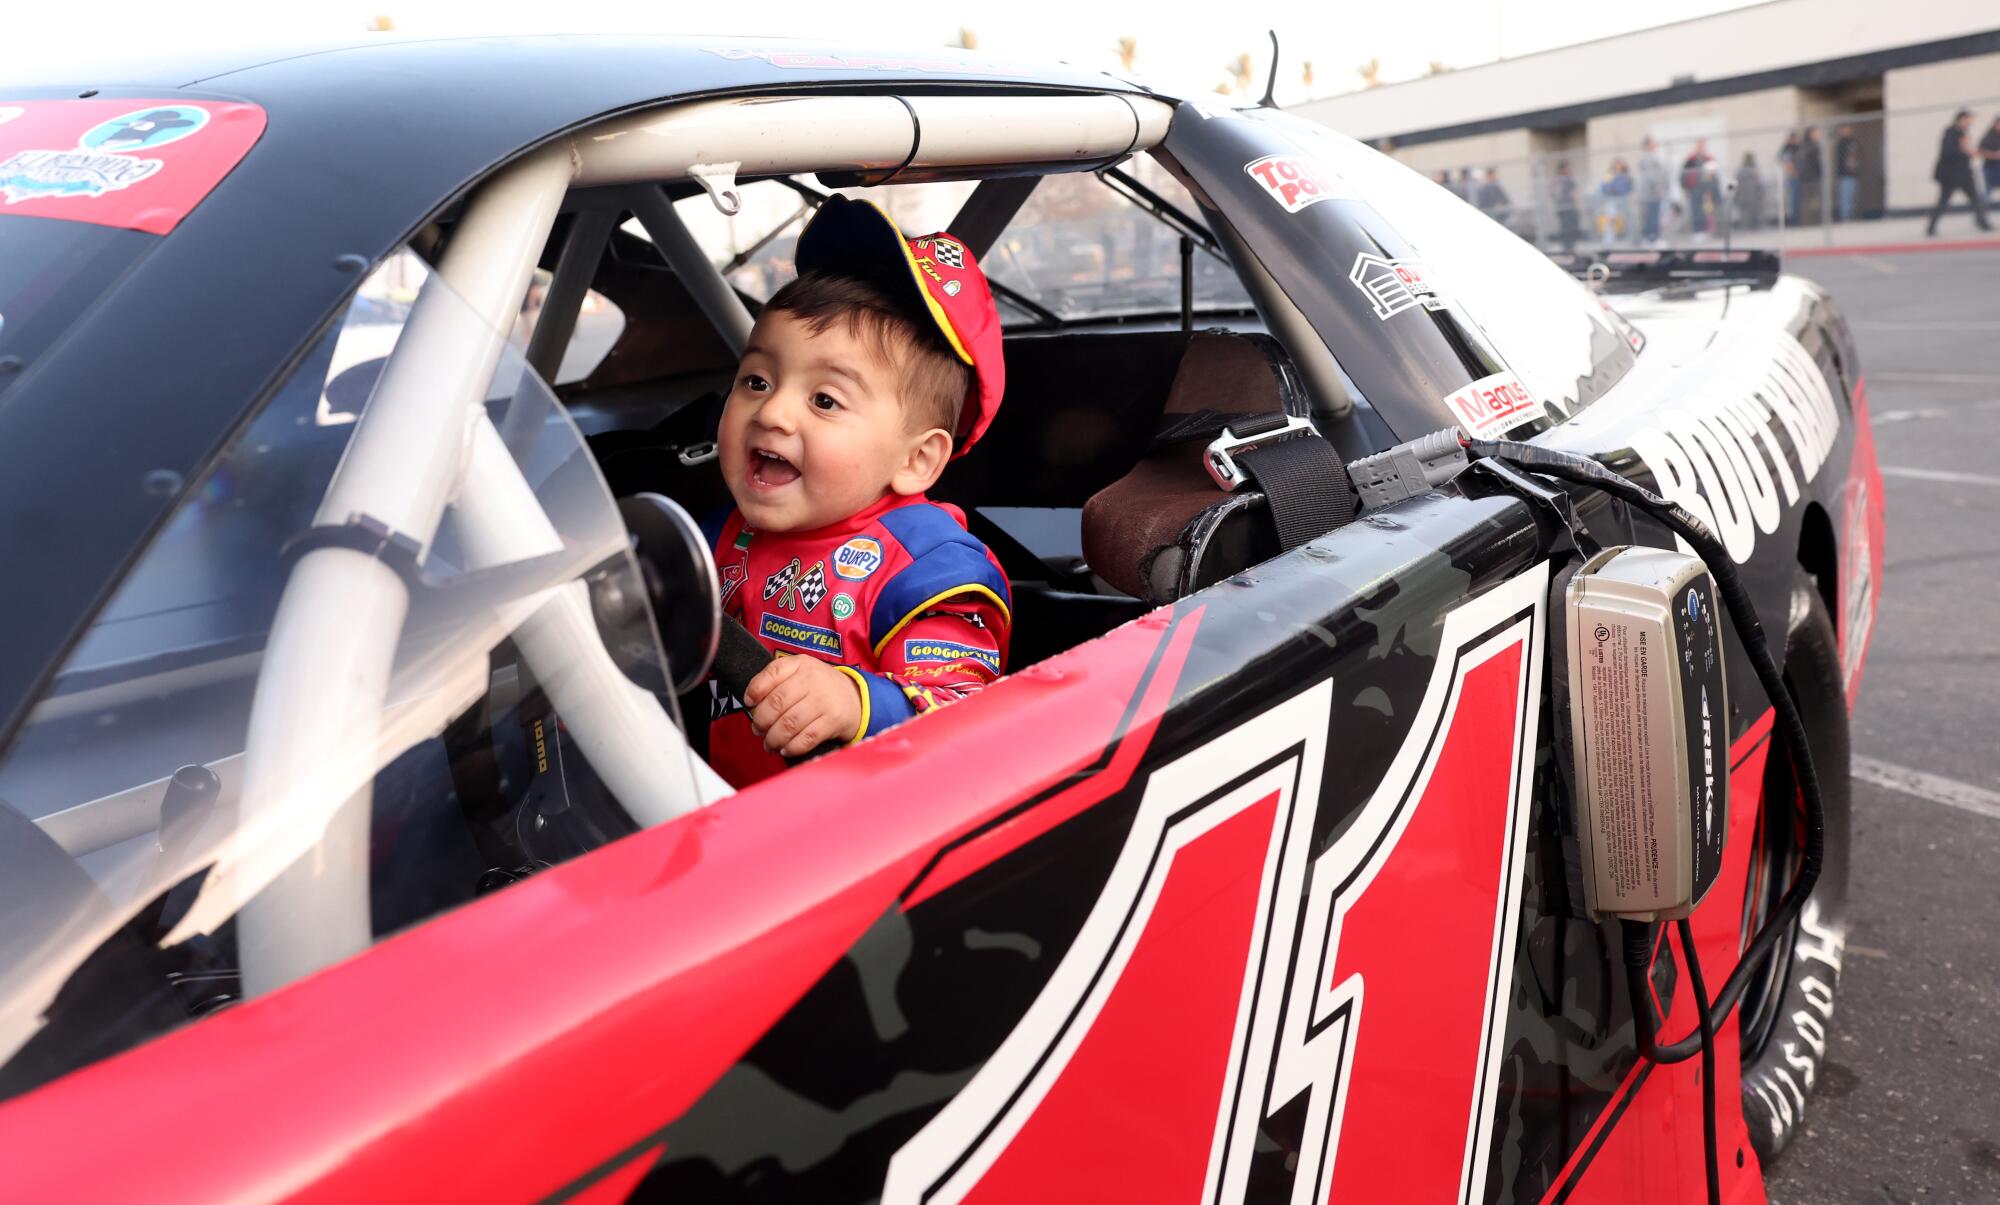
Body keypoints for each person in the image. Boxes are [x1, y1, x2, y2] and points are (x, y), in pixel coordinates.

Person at [706, 196, 1012, 785]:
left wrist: (853, 702)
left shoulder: (929, 573)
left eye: (824, 400)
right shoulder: (722, 530)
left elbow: (967, 722)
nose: (772, 411)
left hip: (853, 845)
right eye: (757, 380)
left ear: (917, 460)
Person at [1927, 109, 1992, 236]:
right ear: (1961, 119)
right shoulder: (1951, 133)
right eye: (1968, 120)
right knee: (1943, 202)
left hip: (1964, 174)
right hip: (1951, 175)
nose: (1970, 123)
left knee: (1975, 199)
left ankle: (1982, 222)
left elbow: (1968, 151)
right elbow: (1947, 153)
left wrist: (1969, 151)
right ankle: (1931, 228)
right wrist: (1963, 150)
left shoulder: (1963, 133)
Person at [1636, 137, 1668, 244]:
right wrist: (1658, 188)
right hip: (1650, 193)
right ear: (1648, 145)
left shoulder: (1653, 157)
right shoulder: (1647, 158)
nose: (1655, 145)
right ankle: (1651, 239)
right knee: (1651, 216)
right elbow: (1651, 175)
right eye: (1653, 143)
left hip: (1652, 192)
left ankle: (1651, 238)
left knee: (1653, 215)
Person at [1681, 140, 1716, 234]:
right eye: (1699, 146)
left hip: (1705, 189)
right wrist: (1686, 188)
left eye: (1703, 145)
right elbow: (1683, 175)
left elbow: (1713, 175)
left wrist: (1711, 189)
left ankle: (1706, 229)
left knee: (1707, 210)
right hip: (1694, 189)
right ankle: (1698, 230)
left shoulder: (1708, 159)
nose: (1701, 148)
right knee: (1695, 210)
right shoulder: (1690, 160)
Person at [1597, 159, 1634, 244]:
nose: (1618, 167)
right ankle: (1608, 239)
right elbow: (1604, 187)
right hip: (1612, 199)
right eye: (1617, 165)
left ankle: (1630, 238)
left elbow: (1629, 188)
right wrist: (1613, 187)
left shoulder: (1626, 176)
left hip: (1624, 199)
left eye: (1620, 165)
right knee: (1611, 219)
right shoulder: (1610, 175)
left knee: (1628, 219)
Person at [1834, 123, 1862, 222]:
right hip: (1844, 175)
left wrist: (1852, 168)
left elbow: (1852, 156)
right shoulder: (1841, 142)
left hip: (1849, 174)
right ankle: (1846, 218)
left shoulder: (1850, 142)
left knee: (1849, 197)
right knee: (1845, 197)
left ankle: (1849, 218)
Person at [1798, 126, 1826, 226]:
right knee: (1813, 202)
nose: (1819, 135)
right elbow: (1816, 163)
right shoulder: (1812, 147)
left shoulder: (1804, 146)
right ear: (1811, 134)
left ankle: (1809, 223)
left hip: (1807, 178)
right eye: (1817, 132)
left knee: (1809, 202)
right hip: (1812, 178)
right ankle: (1813, 223)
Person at [1552, 160, 1581, 251]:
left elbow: (1552, 193)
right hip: (1568, 207)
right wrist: (1577, 206)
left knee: (1565, 227)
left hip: (1561, 207)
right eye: (1568, 168)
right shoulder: (1568, 179)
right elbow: (1574, 194)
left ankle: (1567, 247)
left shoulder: (1557, 180)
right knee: (1569, 227)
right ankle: (1569, 247)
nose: (1570, 169)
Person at [1735, 151, 1765, 230]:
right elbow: (1760, 183)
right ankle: (1755, 229)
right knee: (1754, 215)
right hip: (1752, 197)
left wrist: (1731, 192)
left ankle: (1746, 229)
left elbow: (1734, 183)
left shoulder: (1740, 171)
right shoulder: (1754, 171)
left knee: (1746, 216)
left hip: (1745, 197)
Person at [1778, 131, 1802, 226]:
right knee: (1794, 201)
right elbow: (1787, 163)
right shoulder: (1787, 149)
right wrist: (1794, 173)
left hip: (1798, 177)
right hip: (1793, 178)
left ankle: (1798, 221)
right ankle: (1795, 222)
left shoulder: (1796, 148)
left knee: (1798, 201)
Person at [1981, 117, 2000, 202]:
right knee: (1987, 191)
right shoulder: (1989, 137)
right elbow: (1981, 151)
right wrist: (1994, 155)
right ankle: (1982, 212)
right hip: (1991, 168)